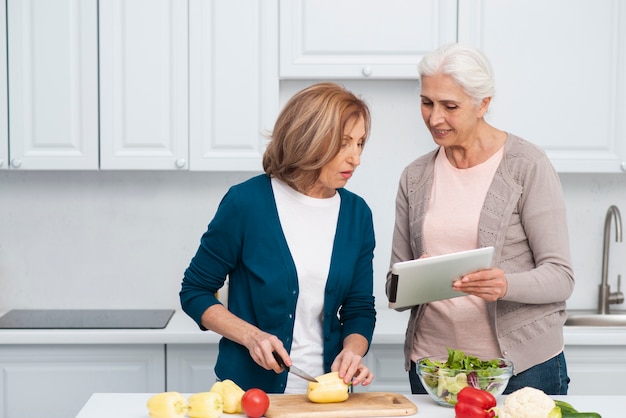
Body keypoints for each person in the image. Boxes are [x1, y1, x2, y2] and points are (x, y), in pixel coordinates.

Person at [386, 43, 574, 395]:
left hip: (522, 369)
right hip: (434, 368)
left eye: (450, 106)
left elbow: (561, 277)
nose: (435, 118)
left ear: (483, 103)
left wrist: (505, 285)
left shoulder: (526, 166)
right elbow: (394, 289)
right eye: (427, 102)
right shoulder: (414, 177)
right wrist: (416, 280)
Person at [180, 82, 376, 394]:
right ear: (308, 140)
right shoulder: (246, 203)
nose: (356, 159)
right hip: (250, 397)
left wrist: (353, 351)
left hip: (328, 397)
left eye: (360, 144)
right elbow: (195, 291)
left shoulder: (357, 214)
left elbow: (359, 307)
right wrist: (250, 336)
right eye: (343, 144)